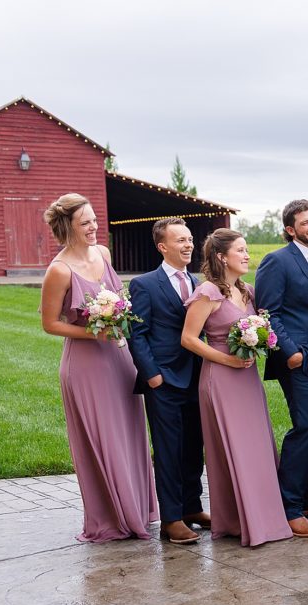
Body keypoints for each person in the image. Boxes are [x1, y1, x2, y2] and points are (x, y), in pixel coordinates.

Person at [39, 193, 158, 542]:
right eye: (85, 223)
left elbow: (117, 300)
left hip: (119, 357)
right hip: (86, 363)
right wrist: (95, 333)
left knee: (131, 431)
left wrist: (116, 320)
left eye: (94, 220)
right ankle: (111, 517)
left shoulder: (103, 254)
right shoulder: (59, 270)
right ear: (67, 227)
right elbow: (49, 323)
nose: (93, 228)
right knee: (103, 436)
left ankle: (138, 509)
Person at [181, 229, 293, 547]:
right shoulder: (207, 292)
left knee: (256, 447)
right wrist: (227, 361)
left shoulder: (247, 291)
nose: (246, 255)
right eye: (240, 250)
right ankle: (236, 521)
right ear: (221, 257)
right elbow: (188, 339)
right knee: (232, 449)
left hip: (247, 379)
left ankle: (263, 518)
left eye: (247, 250)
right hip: (221, 378)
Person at [255, 199, 308, 538]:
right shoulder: (277, 261)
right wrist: (291, 353)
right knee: (306, 427)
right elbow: (268, 312)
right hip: (299, 358)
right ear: (291, 229)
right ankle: (288, 509)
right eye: (306, 223)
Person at [129, 218, 209, 545]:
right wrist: (153, 376)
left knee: (194, 448)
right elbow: (138, 334)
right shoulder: (145, 284)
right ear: (163, 246)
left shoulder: (198, 283)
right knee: (168, 451)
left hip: (197, 378)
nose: (188, 245)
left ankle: (192, 507)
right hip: (164, 381)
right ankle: (171, 519)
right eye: (180, 240)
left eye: (189, 239)